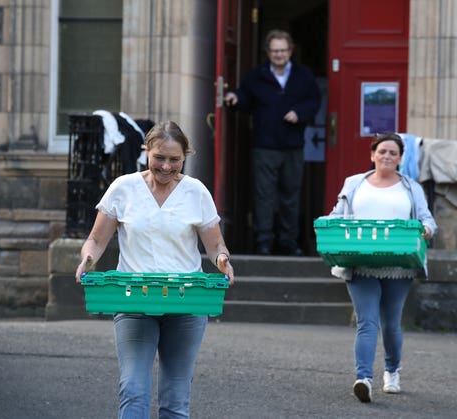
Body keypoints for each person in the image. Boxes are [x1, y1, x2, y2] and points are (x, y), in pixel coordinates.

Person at [75, 120, 235, 418]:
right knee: (133, 390)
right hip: (134, 298)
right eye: (159, 157)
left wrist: (223, 262)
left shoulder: (196, 192)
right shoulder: (123, 188)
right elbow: (96, 240)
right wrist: (87, 258)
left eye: (174, 160)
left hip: (185, 302)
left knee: (175, 398)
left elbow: (215, 247)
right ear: (146, 150)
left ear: (185, 157)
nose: (165, 166)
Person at [329, 132, 437, 403]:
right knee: (367, 322)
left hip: (398, 265)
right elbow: (336, 214)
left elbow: (427, 220)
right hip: (360, 262)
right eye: (382, 151)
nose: (387, 156)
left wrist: (425, 229)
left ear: (400, 158)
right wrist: (328, 222)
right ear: (372, 155)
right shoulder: (354, 183)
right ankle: (363, 378)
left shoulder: (412, 187)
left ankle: (392, 371)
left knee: (391, 324)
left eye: (393, 153)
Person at [224, 29, 321, 256]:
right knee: (264, 195)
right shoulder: (256, 76)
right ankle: (263, 242)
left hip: (293, 146)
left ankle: (289, 242)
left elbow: (314, 101)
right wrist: (236, 98)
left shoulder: (303, 76)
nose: (279, 55)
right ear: (268, 52)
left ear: (290, 51)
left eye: (283, 50)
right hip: (264, 145)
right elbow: (246, 96)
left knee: (291, 196)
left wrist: (300, 112)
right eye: (275, 51)